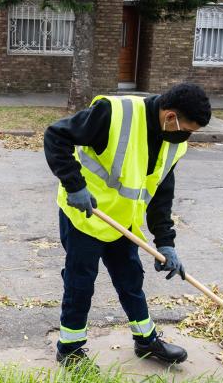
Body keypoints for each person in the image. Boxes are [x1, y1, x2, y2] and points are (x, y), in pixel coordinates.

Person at [43, 83, 211, 367]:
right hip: (87, 216)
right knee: (80, 283)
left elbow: (160, 194)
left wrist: (166, 243)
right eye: (188, 129)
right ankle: (70, 349)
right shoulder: (114, 113)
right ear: (170, 116)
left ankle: (146, 342)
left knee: (131, 279)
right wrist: (74, 185)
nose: (187, 136)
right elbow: (56, 136)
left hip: (122, 221)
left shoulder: (174, 143)